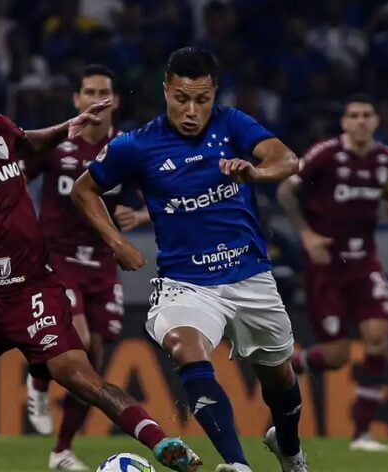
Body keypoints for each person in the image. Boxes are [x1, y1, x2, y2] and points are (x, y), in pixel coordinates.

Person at [0, 80, 201, 472]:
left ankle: (163, 444)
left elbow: (29, 142)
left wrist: (66, 128)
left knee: (84, 379)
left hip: (32, 293)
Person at [71, 47, 307, 472]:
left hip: (249, 276)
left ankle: (289, 450)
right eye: (182, 98)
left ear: (215, 93)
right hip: (187, 283)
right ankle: (237, 465)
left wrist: (255, 173)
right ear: (166, 91)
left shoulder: (233, 125)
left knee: (280, 379)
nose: (192, 110)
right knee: (185, 348)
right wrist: (114, 241)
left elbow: (286, 159)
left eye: (202, 99)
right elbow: (82, 190)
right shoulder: (137, 145)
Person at [23, 65, 149, 470]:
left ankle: (61, 450)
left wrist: (140, 216)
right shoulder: (58, 144)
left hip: (101, 263)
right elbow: (15, 180)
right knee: (74, 339)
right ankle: (39, 382)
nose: (97, 100)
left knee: (93, 359)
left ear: (115, 101)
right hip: (56, 257)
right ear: (76, 100)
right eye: (89, 92)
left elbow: (153, 194)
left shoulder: (125, 149)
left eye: (104, 92)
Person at [276, 94, 388, 452]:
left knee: (377, 339)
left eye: (366, 115)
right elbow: (285, 191)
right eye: (353, 115)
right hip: (326, 267)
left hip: (365, 262)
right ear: (343, 122)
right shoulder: (324, 154)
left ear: (376, 121)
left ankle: (362, 434)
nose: (360, 121)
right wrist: (306, 235)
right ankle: (298, 362)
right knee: (337, 356)